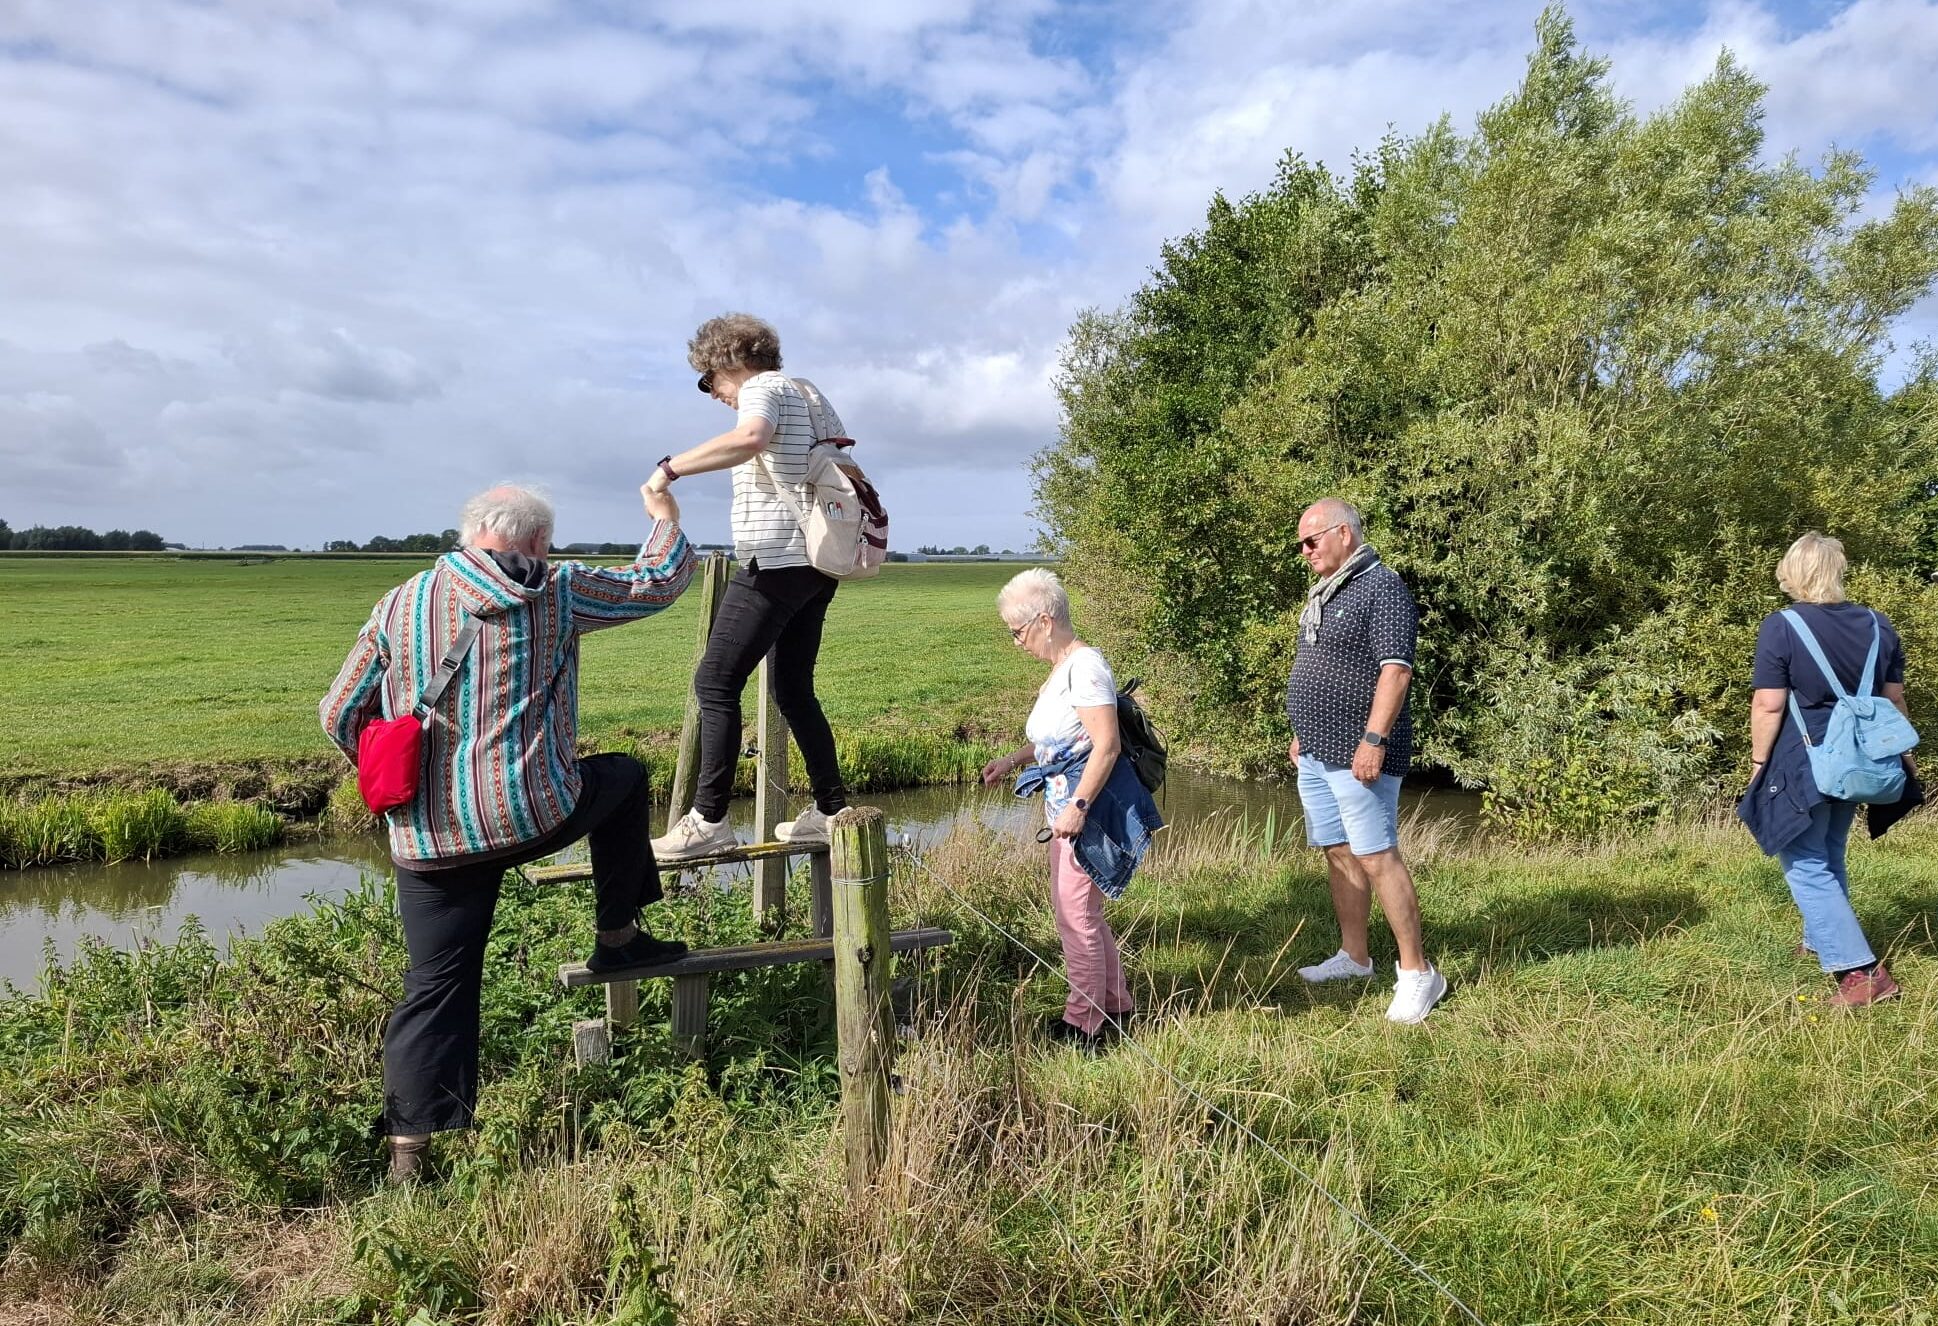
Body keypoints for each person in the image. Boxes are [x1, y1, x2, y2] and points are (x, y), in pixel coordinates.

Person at [320, 481, 694, 1179]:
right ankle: (618, 939)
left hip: (428, 838)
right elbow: (656, 581)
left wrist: (389, 768)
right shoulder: (555, 589)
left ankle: (410, 1151)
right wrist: (664, 517)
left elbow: (340, 712)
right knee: (624, 779)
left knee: (435, 984)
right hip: (529, 813)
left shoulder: (401, 602)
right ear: (535, 543)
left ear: (471, 534)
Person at [647, 313, 849, 858]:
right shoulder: (810, 396)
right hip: (818, 563)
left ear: (728, 361)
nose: (712, 394)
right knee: (793, 690)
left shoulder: (762, 387)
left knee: (714, 683)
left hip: (776, 561)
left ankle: (709, 820)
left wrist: (668, 470)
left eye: (708, 381)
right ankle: (833, 811)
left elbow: (752, 437)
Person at [981, 568, 1163, 1051]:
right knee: (1086, 914)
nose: (1016, 642)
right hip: (1068, 811)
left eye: (1016, 632)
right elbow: (1059, 739)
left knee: (1075, 917)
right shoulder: (1063, 668)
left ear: (1044, 620)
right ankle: (1116, 1006)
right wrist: (1012, 759)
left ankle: (1085, 1025)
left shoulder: (1084, 669)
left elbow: (1105, 745)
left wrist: (1078, 807)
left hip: (1089, 813)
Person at [1739, 532, 1920, 1008]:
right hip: (1862, 756)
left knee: (1803, 863)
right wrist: (1906, 754)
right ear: (1836, 570)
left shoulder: (1782, 625)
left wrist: (1759, 763)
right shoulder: (1880, 625)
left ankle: (1860, 973)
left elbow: (1769, 703)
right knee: (1829, 851)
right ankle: (1820, 939)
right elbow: (1894, 698)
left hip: (1807, 759)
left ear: (1792, 573)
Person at [1285, 498, 1446, 1024]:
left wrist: (1374, 739)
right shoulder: (1329, 593)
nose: (1305, 551)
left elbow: (1395, 672)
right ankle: (1354, 958)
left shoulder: (1383, 590)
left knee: (1377, 855)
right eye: (1302, 544)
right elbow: (1320, 665)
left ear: (1344, 535)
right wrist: (1301, 731)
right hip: (1317, 747)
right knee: (1337, 851)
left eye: (1312, 541)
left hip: (1360, 752)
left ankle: (1418, 974)